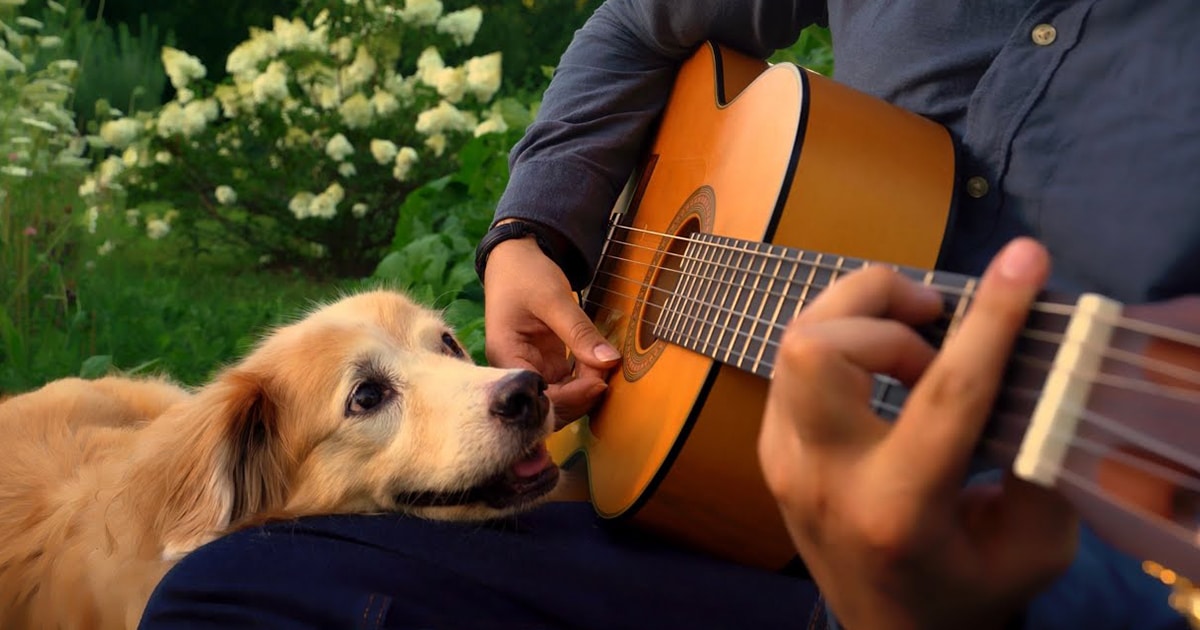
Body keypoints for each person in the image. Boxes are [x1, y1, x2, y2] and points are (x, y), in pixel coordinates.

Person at [140, 1, 1197, 628]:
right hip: (716, 495)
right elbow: (638, 24)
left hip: (1053, 553)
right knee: (231, 596)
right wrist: (533, 235)